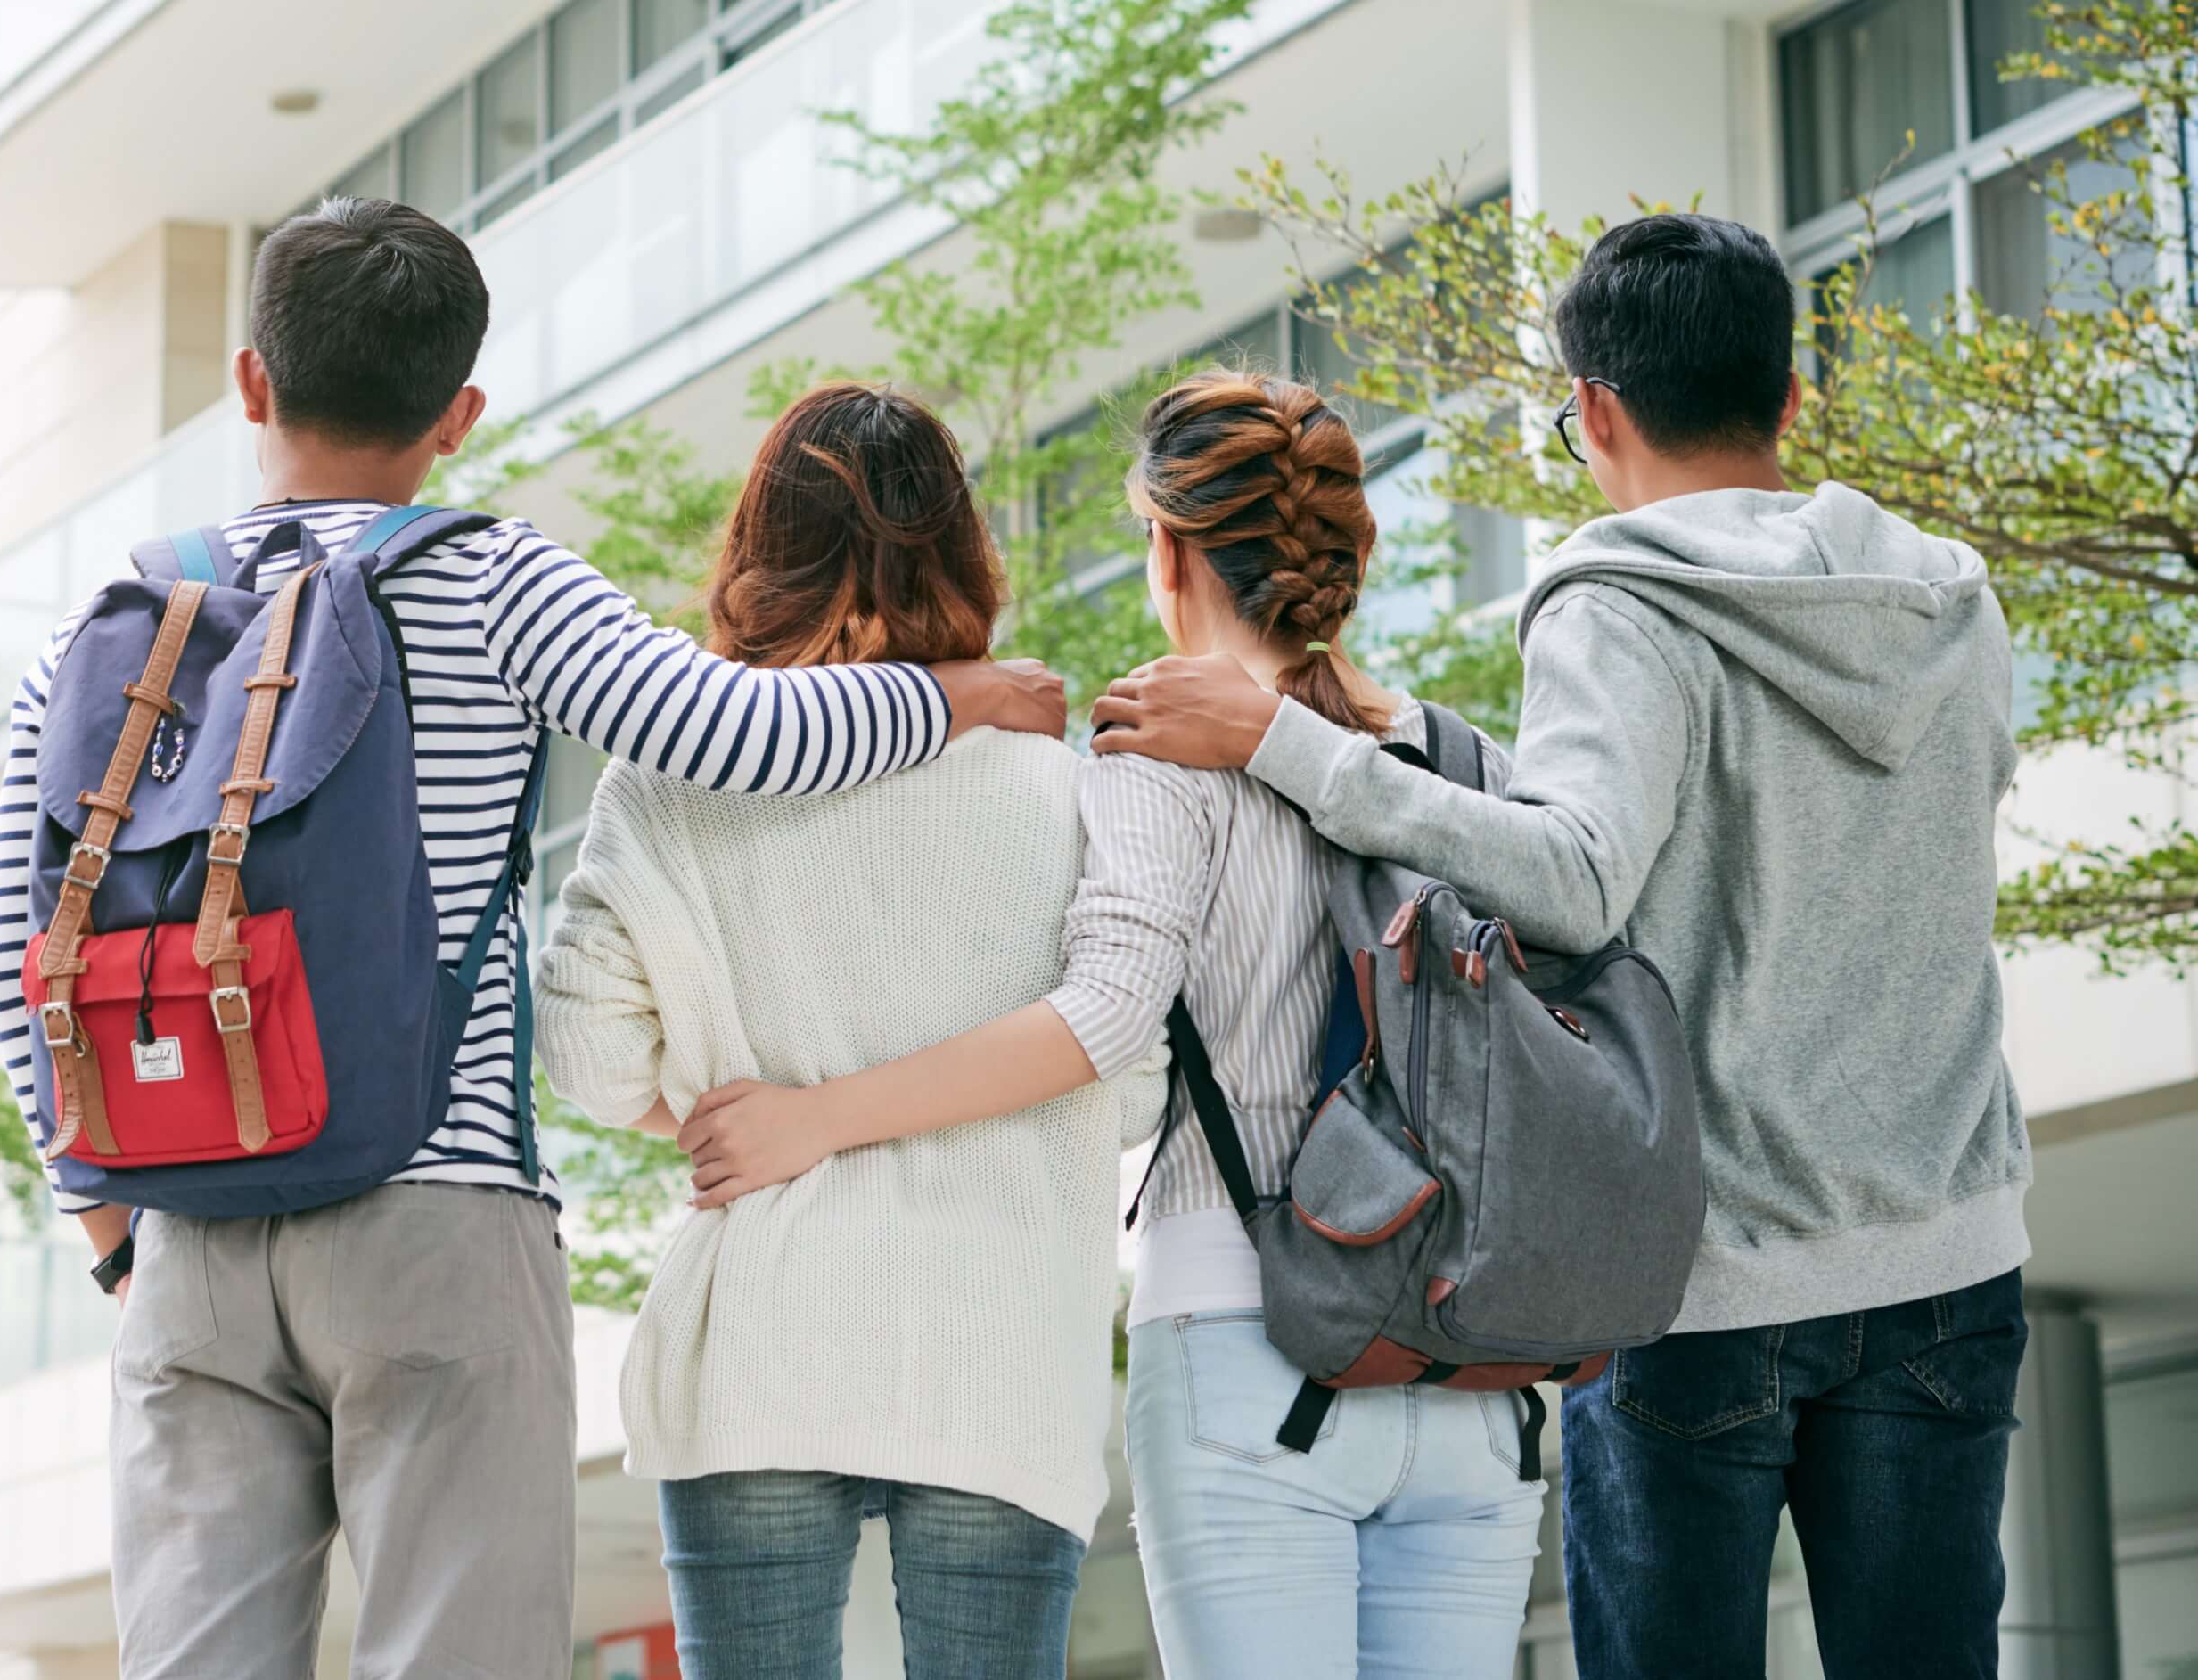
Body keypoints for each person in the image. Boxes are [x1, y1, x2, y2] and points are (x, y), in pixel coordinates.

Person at [0, 197, 1066, 1680]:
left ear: (252, 382)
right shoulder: (487, 577)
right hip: (438, 1213)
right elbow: (733, 731)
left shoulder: (104, 625)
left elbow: (12, 966)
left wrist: (120, 1246)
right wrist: (961, 697)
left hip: (185, 1234)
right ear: (460, 414)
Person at [1078, 215, 2031, 1680]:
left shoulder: (1617, 602)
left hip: (1704, 1277)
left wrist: (1291, 743)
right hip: (1953, 1256)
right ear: (1787, 399)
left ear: (1591, 410)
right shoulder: (1954, 605)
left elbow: (1579, 880)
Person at [675, 370, 1550, 1677]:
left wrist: (815, 1120)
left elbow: (1101, 1020)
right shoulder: (1458, 760)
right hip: (1477, 1379)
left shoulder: (1157, 747)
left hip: (1256, 1358)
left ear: (1168, 545)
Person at [534, 382, 1161, 1680]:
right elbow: (1139, 1074)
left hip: (759, 1337)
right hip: (1002, 1346)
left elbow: (589, 1052)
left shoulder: (673, 780)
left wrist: (740, 1126)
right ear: (960, 550)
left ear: (763, 551)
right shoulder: (1071, 788)